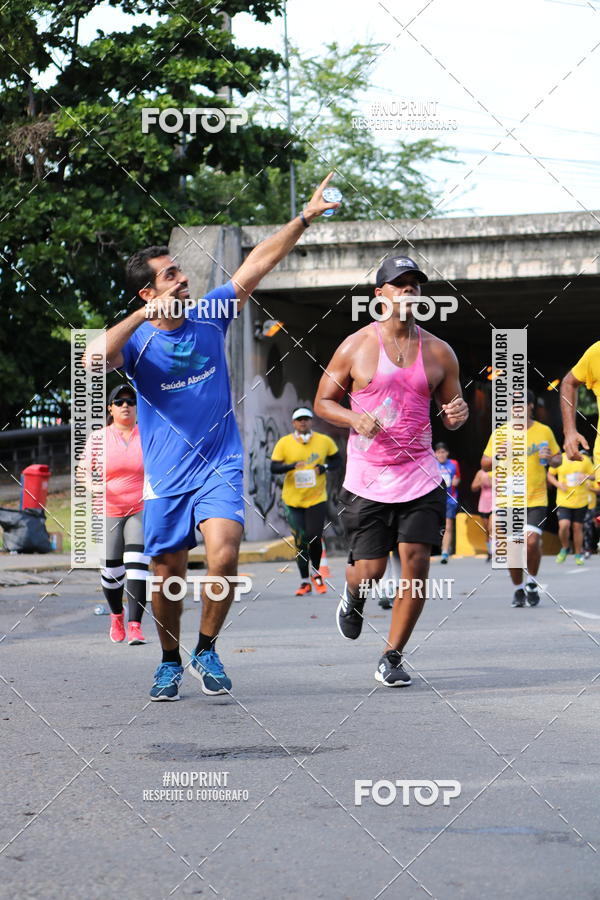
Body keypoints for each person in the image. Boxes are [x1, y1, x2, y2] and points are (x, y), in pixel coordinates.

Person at [90, 174, 340, 701]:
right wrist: (139, 316)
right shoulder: (135, 345)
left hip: (218, 465)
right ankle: (167, 660)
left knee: (224, 555)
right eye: (171, 275)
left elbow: (257, 264)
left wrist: (304, 218)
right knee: (167, 571)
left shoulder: (210, 315)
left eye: (180, 272)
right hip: (165, 477)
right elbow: (93, 359)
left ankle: (205, 648)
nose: (183, 280)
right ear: (149, 290)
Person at [314, 255, 468, 687]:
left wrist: (456, 416)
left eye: (415, 285)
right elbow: (323, 400)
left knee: (416, 563)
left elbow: (452, 414)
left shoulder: (440, 351)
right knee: (372, 570)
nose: (409, 292)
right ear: (379, 295)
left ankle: (392, 655)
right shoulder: (356, 346)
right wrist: (352, 418)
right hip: (368, 477)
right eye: (400, 285)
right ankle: (353, 593)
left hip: (420, 475)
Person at [481, 390, 561, 608]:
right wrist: (498, 455)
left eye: (522, 404)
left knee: (532, 541)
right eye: (513, 405)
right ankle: (518, 589)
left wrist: (551, 459)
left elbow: (558, 460)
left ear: (530, 406)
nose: (517, 408)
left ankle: (532, 582)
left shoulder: (544, 431)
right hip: (508, 500)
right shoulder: (499, 433)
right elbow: (484, 464)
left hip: (536, 498)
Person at [84, 384, 150, 644]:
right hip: (108, 507)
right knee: (112, 571)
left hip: (140, 508)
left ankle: (135, 625)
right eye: (119, 401)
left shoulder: (147, 434)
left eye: (130, 401)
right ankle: (116, 614)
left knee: (137, 566)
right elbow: (83, 471)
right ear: (110, 408)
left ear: (137, 407)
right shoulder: (98, 438)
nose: (126, 405)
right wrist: (92, 486)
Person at [270, 407, 341, 596]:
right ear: (294, 423)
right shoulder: (284, 443)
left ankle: (316, 573)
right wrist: (291, 466)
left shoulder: (324, 441)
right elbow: (274, 467)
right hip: (293, 501)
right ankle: (304, 582)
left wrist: (324, 467)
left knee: (315, 537)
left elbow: (337, 460)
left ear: (311, 422)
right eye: (299, 420)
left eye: (306, 419)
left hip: (317, 498)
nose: (303, 422)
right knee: (301, 540)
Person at [548, 450, 596, 565]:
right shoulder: (560, 459)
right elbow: (550, 474)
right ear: (565, 446)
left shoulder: (584, 459)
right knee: (564, 525)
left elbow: (595, 476)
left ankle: (578, 554)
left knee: (577, 527)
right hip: (564, 500)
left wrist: (586, 476)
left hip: (581, 500)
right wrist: (558, 484)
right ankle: (565, 547)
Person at [434, 442, 460, 564]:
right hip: (435, 499)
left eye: (443, 452)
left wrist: (456, 481)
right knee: (434, 525)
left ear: (447, 453)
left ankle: (445, 552)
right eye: (439, 452)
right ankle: (434, 549)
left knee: (448, 525)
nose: (441, 455)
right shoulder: (432, 464)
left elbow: (458, 478)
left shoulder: (453, 464)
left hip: (450, 499)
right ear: (435, 454)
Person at [471, 468, 493, 560]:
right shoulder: (481, 472)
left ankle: (495, 552)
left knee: (493, 528)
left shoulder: (501, 469)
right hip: (484, 504)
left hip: (497, 503)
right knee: (487, 531)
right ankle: (490, 552)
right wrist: (481, 483)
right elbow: (473, 487)